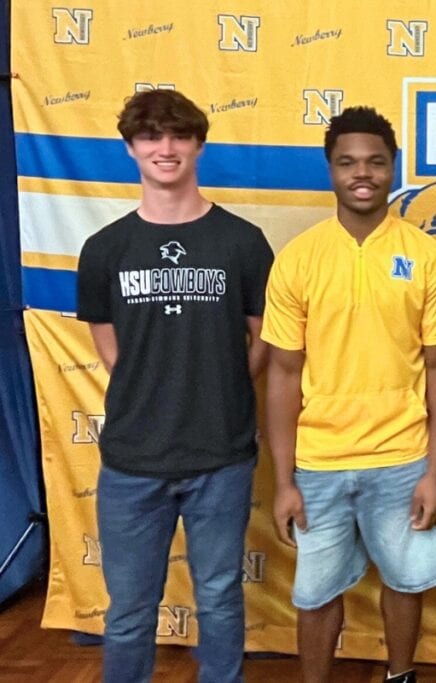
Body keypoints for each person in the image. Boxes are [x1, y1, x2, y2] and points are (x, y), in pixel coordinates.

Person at [76, 88, 274, 683]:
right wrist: (149, 388)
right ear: (131, 148)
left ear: (198, 145)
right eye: (151, 137)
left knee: (218, 597)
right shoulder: (105, 249)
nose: (165, 148)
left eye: (178, 135)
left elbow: (264, 335)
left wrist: (223, 387)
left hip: (221, 456)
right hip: (133, 461)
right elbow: (108, 342)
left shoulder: (241, 241)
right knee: (131, 613)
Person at [262, 107, 436, 683]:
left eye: (375, 161)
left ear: (393, 167)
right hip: (318, 463)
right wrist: (284, 479)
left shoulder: (427, 256)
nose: (362, 173)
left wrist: (434, 472)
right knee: (316, 592)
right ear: (330, 170)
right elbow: (281, 375)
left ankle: (400, 676)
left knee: (404, 581)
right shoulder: (298, 258)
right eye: (347, 162)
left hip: (403, 457)